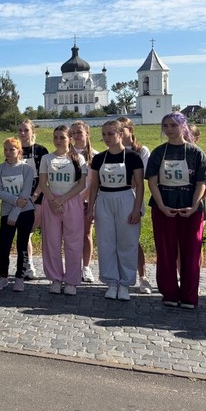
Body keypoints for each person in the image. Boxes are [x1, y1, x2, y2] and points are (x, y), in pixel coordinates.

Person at [147, 112, 206, 308]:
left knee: (191, 253)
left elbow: (202, 182)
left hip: (191, 209)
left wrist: (194, 206)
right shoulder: (158, 152)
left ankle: (189, 296)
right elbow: (152, 182)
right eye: (165, 125)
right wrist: (161, 205)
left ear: (183, 127)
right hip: (163, 207)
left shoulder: (196, 153)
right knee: (165, 252)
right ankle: (170, 294)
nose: (169, 129)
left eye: (173, 125)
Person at [87, 121, 144, 301]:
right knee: (106, 242)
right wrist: (90, 209)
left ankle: (125, 283)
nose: (107, 138)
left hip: (125, 198)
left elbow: (140, 185)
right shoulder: (98, 158)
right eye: (104, 134)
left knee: (127, 242)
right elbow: (94, 185)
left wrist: (136, 209)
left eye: (111, 134)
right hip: (104, 199)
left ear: (120, 134)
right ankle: (111, 282)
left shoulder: (133, 157)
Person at [39, 125, 88, 296]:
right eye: (56, 137)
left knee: (73, 243)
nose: (58, 140)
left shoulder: (78, 158)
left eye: (62, 137)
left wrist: (62, 199)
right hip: (51, 202)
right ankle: (55, 278)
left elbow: (81, 184)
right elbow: (42, 183)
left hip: (71, 202)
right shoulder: (46, 158)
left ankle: (71, 281)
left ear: (70, 139)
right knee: (51, 242)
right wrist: (53, 200)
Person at [0, 137, 35, 292]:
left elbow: (26, 194)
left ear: (19, 151)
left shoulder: (27, 169)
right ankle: (3, 277)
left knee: (22, 245)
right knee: (4, 246)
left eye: (12, 149)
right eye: (6, 149)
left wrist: (15, 213)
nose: (8, 152)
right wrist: (15, 203)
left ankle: (19, 278)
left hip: (25, 212)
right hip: (6, 213)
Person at [118, 117, 153, 293]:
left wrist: (120, 183)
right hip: (114, 199)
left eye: (122, 129)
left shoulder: (141, 151)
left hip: (133, 199)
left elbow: (138, 179)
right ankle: (119, 276)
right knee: (117, 240)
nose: (119, 132)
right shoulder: (113, 150)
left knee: (133, 240)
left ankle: (142, 276)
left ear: (131, 130)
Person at [18, 119, 48, 280]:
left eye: (26, 130)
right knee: (24, 233)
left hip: (38, 196)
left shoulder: (41, 150)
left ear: (32, 132)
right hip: (20, 198)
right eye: (20, 130)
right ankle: (27, 265)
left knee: (30, 231)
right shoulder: (15, 149)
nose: (23, 133)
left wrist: (35, 196)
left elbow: (45, 177)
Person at [70, 120, 99, 283]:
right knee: (70, 235)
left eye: (79, 132)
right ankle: (73, 266)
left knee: (86, 234)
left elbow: (94, 182)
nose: (76, 135)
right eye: (73, 133)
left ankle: (86, 267)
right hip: (69, 200)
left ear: (87, 133)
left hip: (87, 201)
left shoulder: (95, 155)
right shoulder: (67, 153)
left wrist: (84, 199)